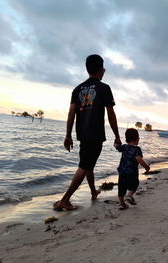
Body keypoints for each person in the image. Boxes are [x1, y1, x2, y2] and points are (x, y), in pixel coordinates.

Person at [54, 54, 122, 211]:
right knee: (85, 165)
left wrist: (68, 135)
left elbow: (72, 113)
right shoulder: (104, 88)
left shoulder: (77, 89)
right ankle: (65, 200)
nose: (104, 70)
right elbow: (111, 114)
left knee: (88, 164)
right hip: (95, 134)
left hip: (82, 133)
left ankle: (93, 192)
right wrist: (117, 136)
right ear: (101, 69)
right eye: (103, 67)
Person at [115, 128, 150, 210]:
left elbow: (117, 147)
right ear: (137, 139)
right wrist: (146, 167)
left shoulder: (124, 147)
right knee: (135, 184)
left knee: (121, 187)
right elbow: (138, 159)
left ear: (127, 139)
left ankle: (121, 203)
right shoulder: (137, 149)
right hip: (132, 172)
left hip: (122, 172)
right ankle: (129, 195)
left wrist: (116, 142)